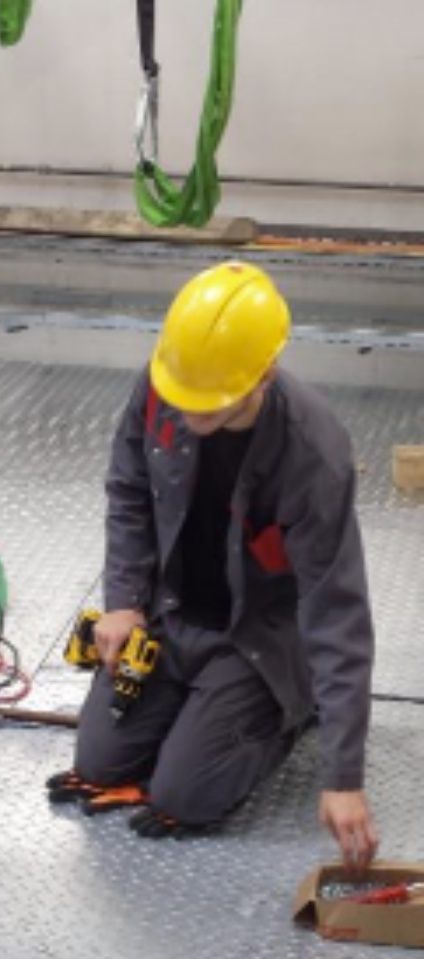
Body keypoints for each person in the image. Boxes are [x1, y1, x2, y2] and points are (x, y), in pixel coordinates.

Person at [55, 261, 378, 870]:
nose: (185, 416)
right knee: (97, 764)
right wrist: (124, 599)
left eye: (207, 405)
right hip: (169, 615)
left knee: (186, 796)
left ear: (266, 373)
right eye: (179, 399)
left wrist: (343, 776)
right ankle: (195, 708)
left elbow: (336, 611)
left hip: (252, 638)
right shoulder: (163, 385)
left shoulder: (313, 454)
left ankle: (289, 710)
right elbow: (128, 492)